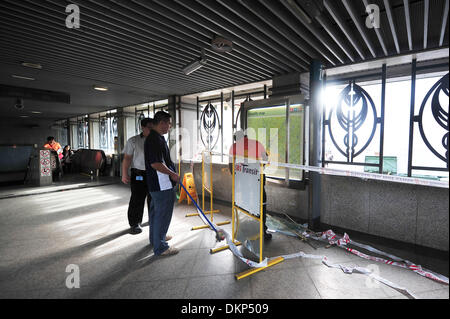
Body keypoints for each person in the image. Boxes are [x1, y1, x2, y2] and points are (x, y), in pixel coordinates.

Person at [144, 111, 180, 256]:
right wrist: (172, 174)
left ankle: (156, 238)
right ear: (162, 123)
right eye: (169, 123)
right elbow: (156, 164)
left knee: (155, 213)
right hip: (161, 184)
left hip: (156, 184)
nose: (170, 126)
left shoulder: (156, 137)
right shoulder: (155, 140)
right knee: (162, 214)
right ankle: (161, 247)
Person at [228, 130, 272, 240]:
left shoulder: (233, 147)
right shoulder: (257, 143)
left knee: (245, 204)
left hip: (243, 181)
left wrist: (238, 178)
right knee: (261, 204)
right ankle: (262, 231)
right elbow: (266, 159)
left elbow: (231, 166)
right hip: (257, 178)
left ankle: (247, 230)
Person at [122, 118, 154, 235]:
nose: (152, 129)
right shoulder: (133, 141)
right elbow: (127, 158)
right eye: (149, 127)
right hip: (138, 174)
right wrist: (124, 173)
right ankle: (135, 223)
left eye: (153, 127)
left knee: (153, 198)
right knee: (137, 199)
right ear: (143, 127)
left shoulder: (157, 140)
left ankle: (153, 219)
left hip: (153, 174)